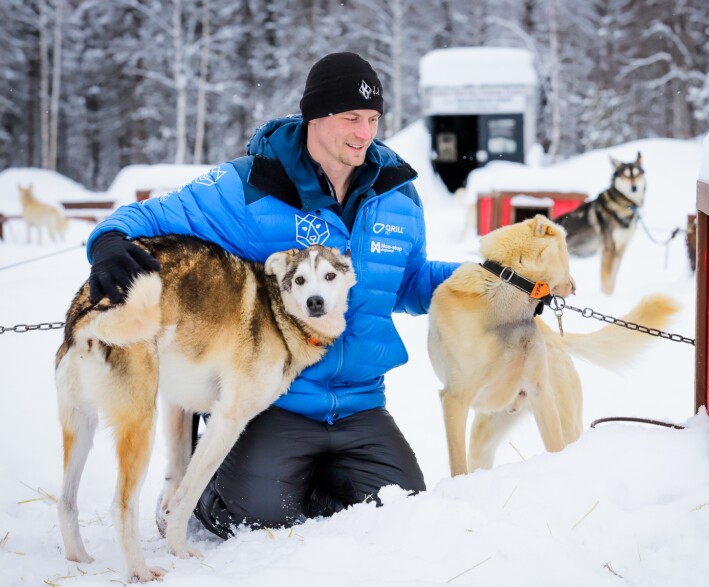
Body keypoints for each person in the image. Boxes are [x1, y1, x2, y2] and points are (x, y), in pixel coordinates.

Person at [85, 52, 458, 538]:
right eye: (351, 118)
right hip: (274, 400)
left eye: (372, 119)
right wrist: (110, 241)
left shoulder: (398, 194)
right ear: (315, 117)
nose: (365, 132)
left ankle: (313, 482)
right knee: (255, 521)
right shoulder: (249, 185)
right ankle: (204, 478)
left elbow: (408, 283)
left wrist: (491, 284)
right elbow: (154, 217)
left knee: (403, 512)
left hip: (362, 403)